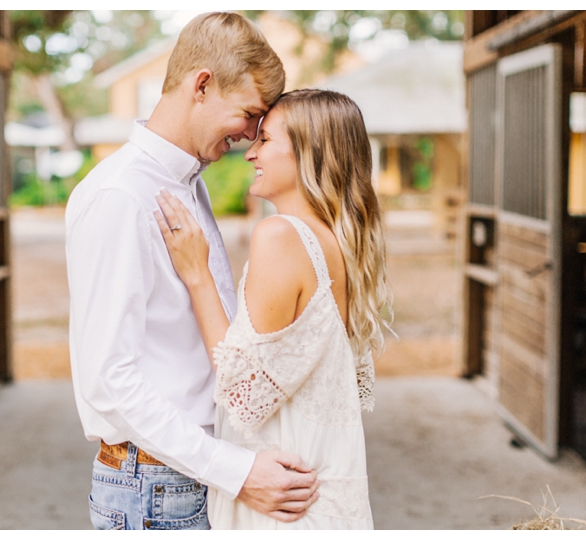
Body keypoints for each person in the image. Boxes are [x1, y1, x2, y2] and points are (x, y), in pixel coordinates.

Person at [65, 12, 320, 531]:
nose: (252, 136)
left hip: (189, 474)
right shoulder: (120, 196)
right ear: (201, 85)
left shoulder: (189, 181)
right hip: (157, 484)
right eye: (249, 114)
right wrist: (237, 471)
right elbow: (108, 379)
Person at [153, 88, 391, 529]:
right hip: (324, 496)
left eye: (266, 140)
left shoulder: (281, 236)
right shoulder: (339, 242)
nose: (250, 153)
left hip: (285, 505)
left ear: (310, 154)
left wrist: (197, 273)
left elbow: (243, 395)